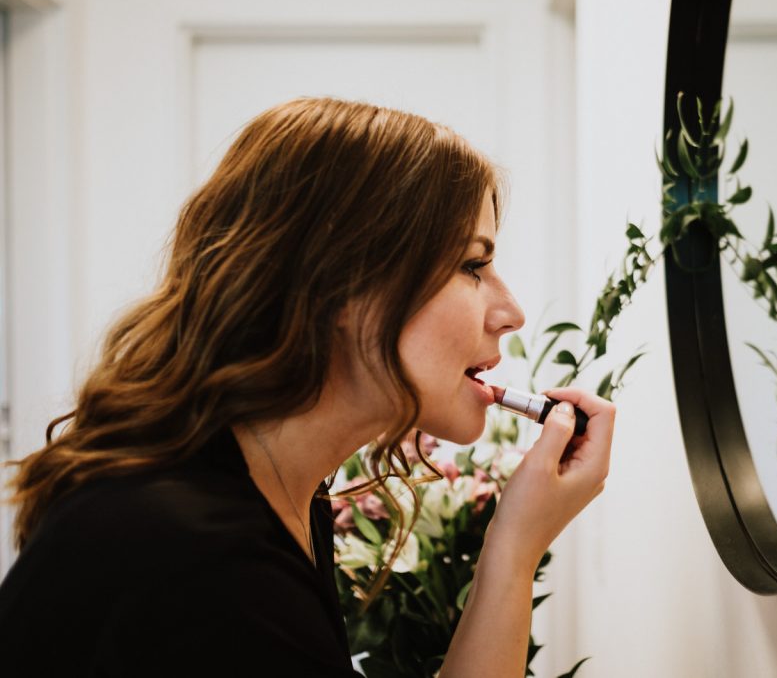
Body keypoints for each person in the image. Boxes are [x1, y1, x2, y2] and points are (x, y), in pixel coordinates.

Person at [0, 97, 615, 676]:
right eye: (473, 266)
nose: (511, 311)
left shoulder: (284, 500)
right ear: (343, 287)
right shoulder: (201, 562)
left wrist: (514, 546)